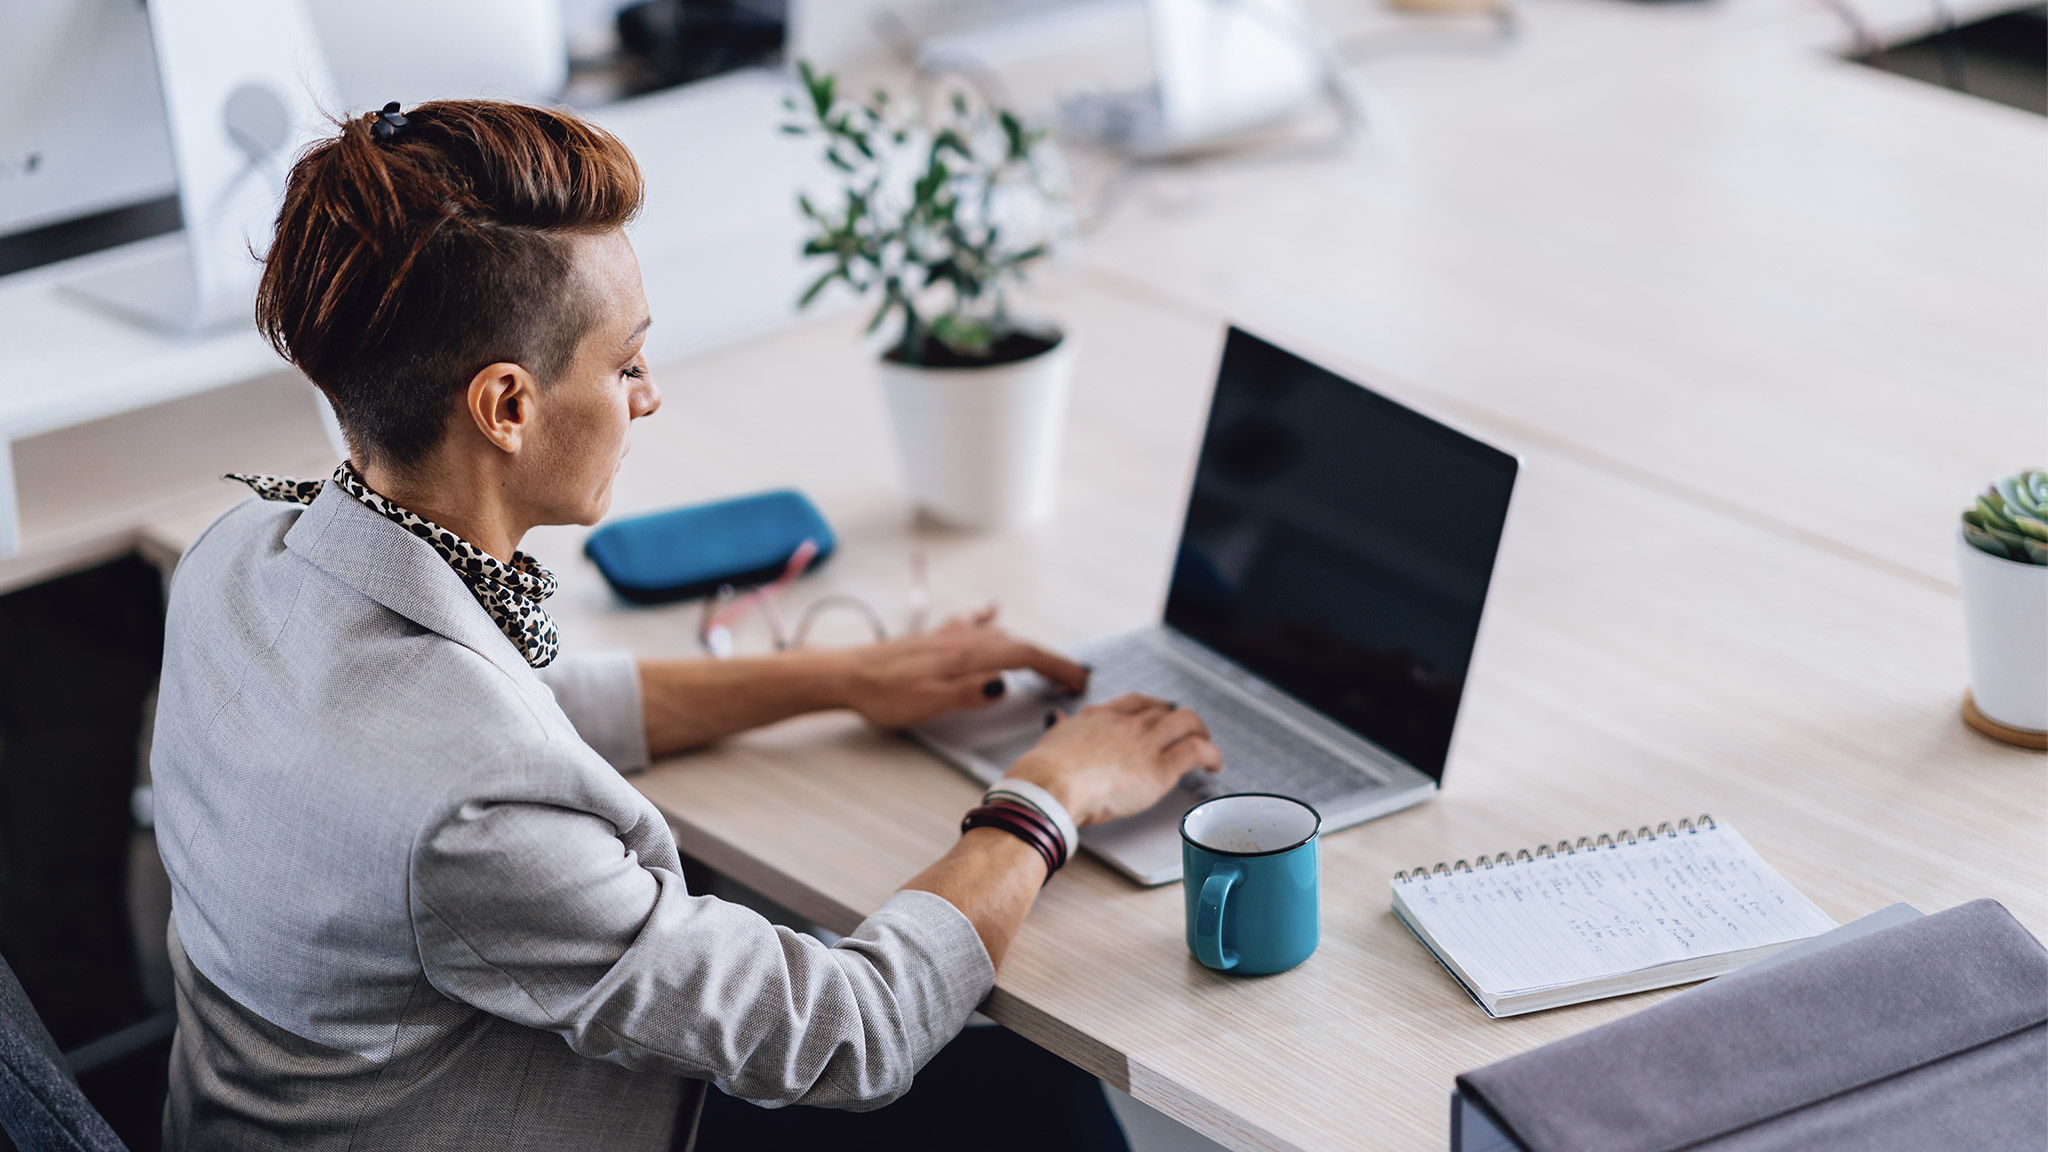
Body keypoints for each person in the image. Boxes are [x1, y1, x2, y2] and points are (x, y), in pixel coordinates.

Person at [149, 99, 1221, 1151]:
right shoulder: (469, 813)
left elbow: (512, 723)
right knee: (1012, 1081)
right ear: (506, 408)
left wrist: (842, 677)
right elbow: (848, 1033)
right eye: (625, 365)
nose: (649, 398)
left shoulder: (239, 561)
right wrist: (1048, 793)